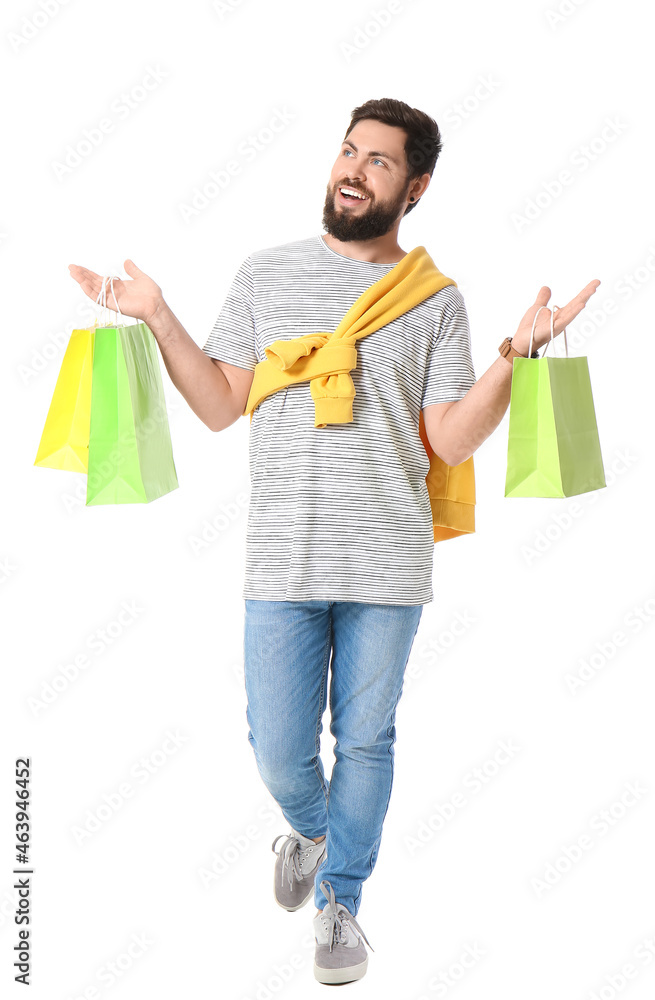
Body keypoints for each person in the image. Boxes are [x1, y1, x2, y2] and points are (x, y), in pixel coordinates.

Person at [68, 97, 600, 986]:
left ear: (415, 186)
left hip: (386, 559)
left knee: (366, 740)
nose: (352, 170)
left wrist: (516, 354)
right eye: (348, 152)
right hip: (280, 556)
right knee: (276, 744)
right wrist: (159, 317)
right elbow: (216, 406)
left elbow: (449, 439)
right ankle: (315, 832)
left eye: (379, 162)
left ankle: (340, 901)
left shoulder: (435, 300)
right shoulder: (264, 276)